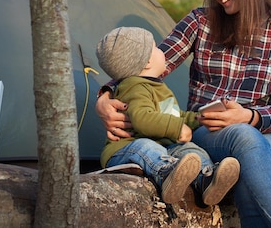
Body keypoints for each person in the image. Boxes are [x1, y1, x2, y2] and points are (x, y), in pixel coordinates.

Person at [96, 0, 271, 228]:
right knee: (249, 141)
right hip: (206, 133)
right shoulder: (200, 22)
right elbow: (151, 63)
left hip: (267, 131)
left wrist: (249, 115)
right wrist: (106, 96)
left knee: (253, 143)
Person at [95, 26, 240, 206]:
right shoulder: (135, 87)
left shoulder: (157, 86)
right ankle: (167, 175)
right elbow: (142, 119)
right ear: (147, 61)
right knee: (144, 145)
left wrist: (198, 118)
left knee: (190, 150)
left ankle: (206, 179)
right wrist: (178, 128)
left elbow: (172, 115)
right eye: (156, 47)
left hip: (163, 148)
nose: (161, 51)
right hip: (125, 149)